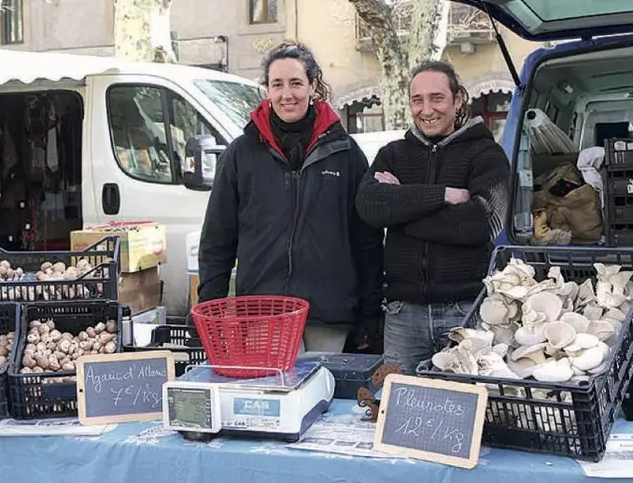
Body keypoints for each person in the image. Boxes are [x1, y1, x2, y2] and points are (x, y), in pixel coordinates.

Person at [197, 40, 384, 353]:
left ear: (312, 86)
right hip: (263, 314)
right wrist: (209, 310)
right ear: (267, 90)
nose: (287, 94)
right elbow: (217, 240)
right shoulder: (241, 155)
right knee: (272, 399)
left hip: (329, 315)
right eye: (277, 84)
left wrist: (369, 313)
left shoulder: (345, 153)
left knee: (325, 398)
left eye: (296, 83)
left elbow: (366, 241)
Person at [355, 60, 510, 374]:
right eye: (417, 99)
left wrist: (400, 210)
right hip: (402, 315)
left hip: (465, 312)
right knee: (398, 411)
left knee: (468, 410)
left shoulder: (486, 155)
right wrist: (443, 195)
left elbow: (483, 222)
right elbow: (369, 206)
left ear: (457, 100)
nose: (427, 109)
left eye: (437, 98)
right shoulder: (392, 154)